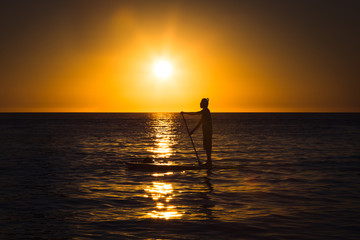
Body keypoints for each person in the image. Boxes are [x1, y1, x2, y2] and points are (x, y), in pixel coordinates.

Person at [181, 98, 213, 167]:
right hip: (206, 132)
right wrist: (192, 131)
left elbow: (194, 113)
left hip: (208, 132)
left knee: (208, 147)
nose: (200, 104)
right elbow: (200, 123)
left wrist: (185, 113)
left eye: (201, 103)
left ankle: (209, 162)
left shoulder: (206, 111)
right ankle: (209, 161)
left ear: (204, 104)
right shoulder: (205, 112)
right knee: (207, 147)